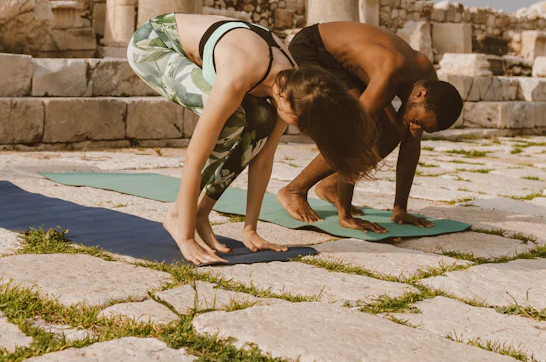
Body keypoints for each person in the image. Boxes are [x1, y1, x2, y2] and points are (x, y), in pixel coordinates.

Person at [128, 13, 381, 265]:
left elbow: (264, 159)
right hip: (153, 45)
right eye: (301, 122)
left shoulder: (295, 85)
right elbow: (194, 157)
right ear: (286, 100)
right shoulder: (239, 75)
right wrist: (185, 239)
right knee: (233, 121)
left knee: (263, 120)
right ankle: (178, 215)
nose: (300, 129)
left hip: (235, 60)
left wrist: (250, 229)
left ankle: (201, 213)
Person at [277, 21, 463, 233]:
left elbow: (410, 148)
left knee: (393, 133)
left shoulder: (429, 84)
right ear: (420, 95)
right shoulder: (390, 72)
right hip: (315, 50)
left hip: (351, 68)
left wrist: (400, 209)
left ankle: (330, 186)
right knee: (368, 128)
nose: (414, 125)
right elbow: (351, 138)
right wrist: (345, 215)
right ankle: (294, 190)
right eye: (417, 121)